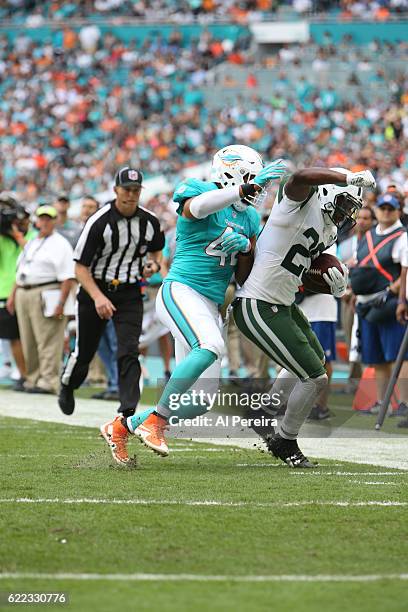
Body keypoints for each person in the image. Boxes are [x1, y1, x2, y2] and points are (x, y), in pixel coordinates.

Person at [100, 145, 286, 465]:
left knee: (201, 401)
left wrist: (245, 249)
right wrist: (240, 189)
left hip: (211, 303)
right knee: (211, 344)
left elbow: (243, 276)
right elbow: (196, 209)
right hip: (182, 290)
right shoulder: (199, 189)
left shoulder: (251, 217)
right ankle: (155, 421)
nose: (258, 189)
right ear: (232, 175)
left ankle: (122, 425)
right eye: (253, 180)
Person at [232, 166, 376, 468]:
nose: (347, 214)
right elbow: (299, 176)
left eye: (353, 208)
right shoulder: (300, 200)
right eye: (345, 204)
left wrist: (332, 284)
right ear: (327, 192)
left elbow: (299, 273)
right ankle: (285, 439)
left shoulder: (330, 229)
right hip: (258, 303)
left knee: (316, 362)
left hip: (282, 303)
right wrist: (347, 177)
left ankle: (265, 412)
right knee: (315, 378)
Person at [59, 167, 165, 418]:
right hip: (94, 288)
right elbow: (80, 268)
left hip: (129, 292)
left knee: (129, 349)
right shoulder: (99, 222)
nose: (131, 195)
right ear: (115, 190)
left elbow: (157, 249)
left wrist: (154, 264)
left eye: (136, 190)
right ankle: (67, 385)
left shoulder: (149, 221)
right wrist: (98, 297)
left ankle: (127, 409)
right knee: (84, 352)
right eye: (126, 189)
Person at [350, 193, 408, 416]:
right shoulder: (367, 236)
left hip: (389, 303)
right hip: (365, 304)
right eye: (382, 208)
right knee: (376, 358)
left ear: (398, 212)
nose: (385, 211)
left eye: (390, 208)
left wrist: (395, 294)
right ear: (376, 211)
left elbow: (405, 271)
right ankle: (382, 402)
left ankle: (404, 403)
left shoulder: (402, 236)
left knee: (398, 356)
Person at [9, 205, 75, 394]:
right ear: (36, 221)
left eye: (48, 218)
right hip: (25, 291)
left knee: (48, 339)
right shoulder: (32, 242)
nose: (44, 222)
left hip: (47, 291)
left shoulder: (60, 244)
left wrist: (61, 303)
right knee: (28, 338)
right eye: (42, 218)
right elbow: (20, 270)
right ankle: (33, 378)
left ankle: (48, 380)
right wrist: (14, 295)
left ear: (54, 221)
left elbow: (67, 276)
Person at [0, 194, 36, 390]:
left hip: (23, 290)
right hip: (4, 292)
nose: (18, 223)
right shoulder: (3, 238)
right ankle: (23, 375)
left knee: (25, 337)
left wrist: (17, 236)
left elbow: (33, 254)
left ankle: (29, 375)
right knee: (14, 338)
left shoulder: (31, 236)